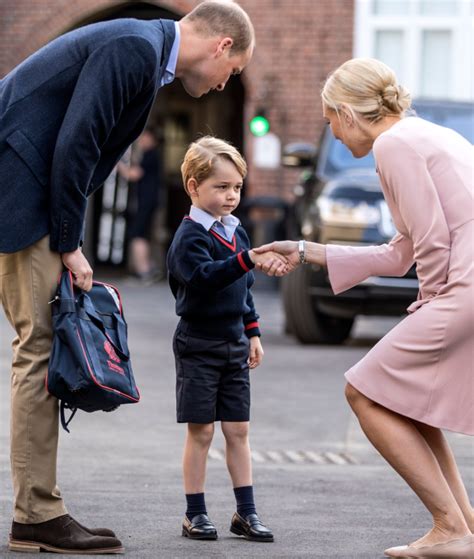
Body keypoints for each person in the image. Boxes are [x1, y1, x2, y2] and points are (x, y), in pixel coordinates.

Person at [0, 1, 255, 554]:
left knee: (39, 346)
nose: (220, 88)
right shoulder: (134, 49)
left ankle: (37, 511)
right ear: (222, 46)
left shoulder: (144, 50)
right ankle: (36, 515)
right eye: (230, 75)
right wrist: (70, 242)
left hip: (26, 194)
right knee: (41, 349)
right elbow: (76, 145)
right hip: (21, 196)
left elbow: (81, 149)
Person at [255, 58, 474, 559]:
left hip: (464, 286)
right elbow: (402, 251)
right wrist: (307, 250)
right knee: (411, 404)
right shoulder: (426, 136)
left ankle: (450, 527)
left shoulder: (394, 145)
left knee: (364, 392)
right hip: (469, 285)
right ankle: (463, 526)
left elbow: (433, 243)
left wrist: (431, 299)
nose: (331, 129)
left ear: (349, 114)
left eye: (329, 118)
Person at [167, 137, 286, 543]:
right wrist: (246, 260)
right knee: (201, 432)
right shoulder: (189, 238)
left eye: (237, 186)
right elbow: (205, 278)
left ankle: (246, 513)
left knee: (238, 431)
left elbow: (243, 289)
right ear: (193, 187)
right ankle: (194, 513)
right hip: (198, 344)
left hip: (235, 343)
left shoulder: (237, 232)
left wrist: (253, 333)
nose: (231, 195)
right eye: (221, 187)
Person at [119, 128, 163, 282]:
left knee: (137, 234)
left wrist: (116, 163)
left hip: (145, 201)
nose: (141, 141)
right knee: (141, 234)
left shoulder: (151, 154)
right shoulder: (151, 154)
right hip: (147, 201)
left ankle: (144, 271)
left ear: (152, 139)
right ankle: (147, 269)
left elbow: (133, 174)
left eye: (144, 138)